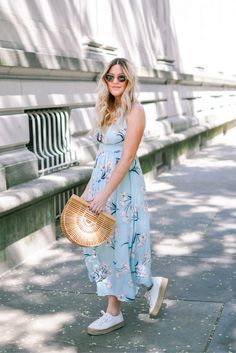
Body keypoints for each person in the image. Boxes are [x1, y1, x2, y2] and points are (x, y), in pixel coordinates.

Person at [81, 57, 168, 336]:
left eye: (121, 77)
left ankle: (114, 312)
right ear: (104, 80)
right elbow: (101, 158)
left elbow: (127, 156)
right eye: (110, 77)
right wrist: (88, 193)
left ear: (129, 81)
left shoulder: (135, 111)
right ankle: (150, 284)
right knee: (99, 243)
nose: (115, 82)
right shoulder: (106, 109)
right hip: (102, 184)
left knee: (120, 241)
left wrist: (104, 194)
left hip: (123, 189)